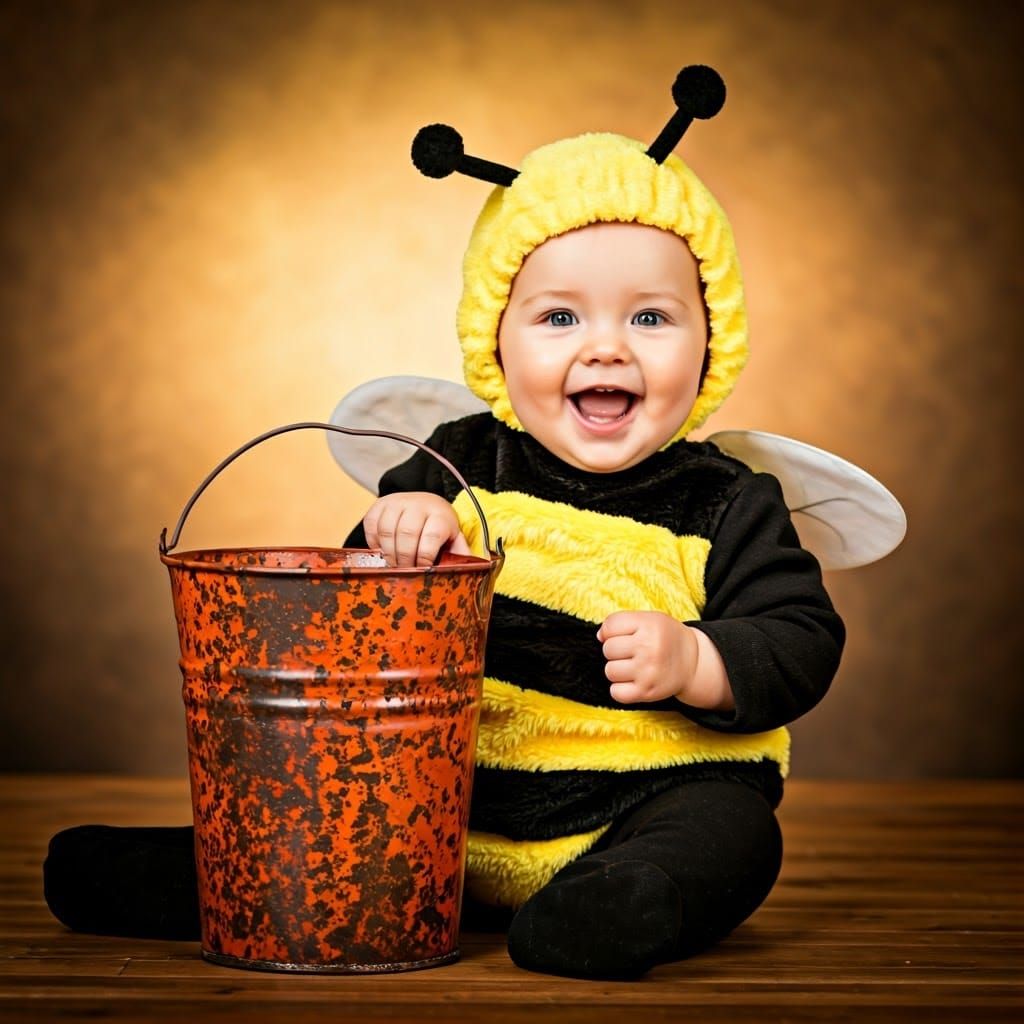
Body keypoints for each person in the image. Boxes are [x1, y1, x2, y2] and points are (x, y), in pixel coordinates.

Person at [43, 65, 844, 980]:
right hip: (439, 818)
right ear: (494, 342)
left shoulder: (727, 499)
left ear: (714, 342)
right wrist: (397, 526)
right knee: (315, 826)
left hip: (642, 802)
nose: (607, 346)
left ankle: (615, 904)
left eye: (653, 316)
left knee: (733, 830)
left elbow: (802, 636)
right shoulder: (459, 462)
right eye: (558, 317)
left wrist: (698, 662)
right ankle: (215, 874)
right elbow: (349, 629)